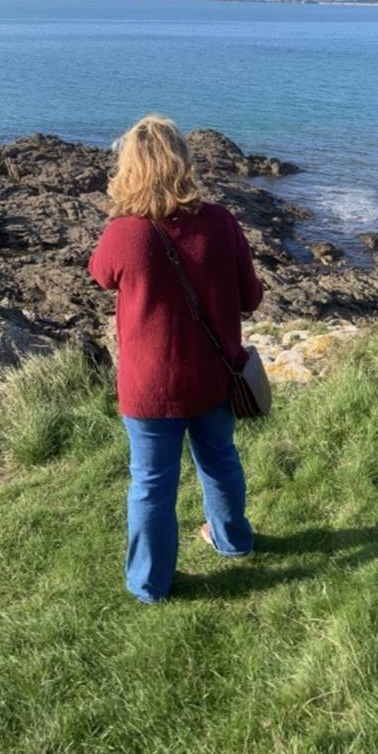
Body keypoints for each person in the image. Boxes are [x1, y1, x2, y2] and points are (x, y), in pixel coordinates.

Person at [88, 114, 264, 603]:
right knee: (220, 461)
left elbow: (100, 276)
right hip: (213, 377)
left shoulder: (125, 232)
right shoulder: (221, 222)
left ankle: (150, 584)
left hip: (149, 387)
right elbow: (251, 297)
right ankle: (233, 540)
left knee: (150, 484)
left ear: (129, 170)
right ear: (183, 162)